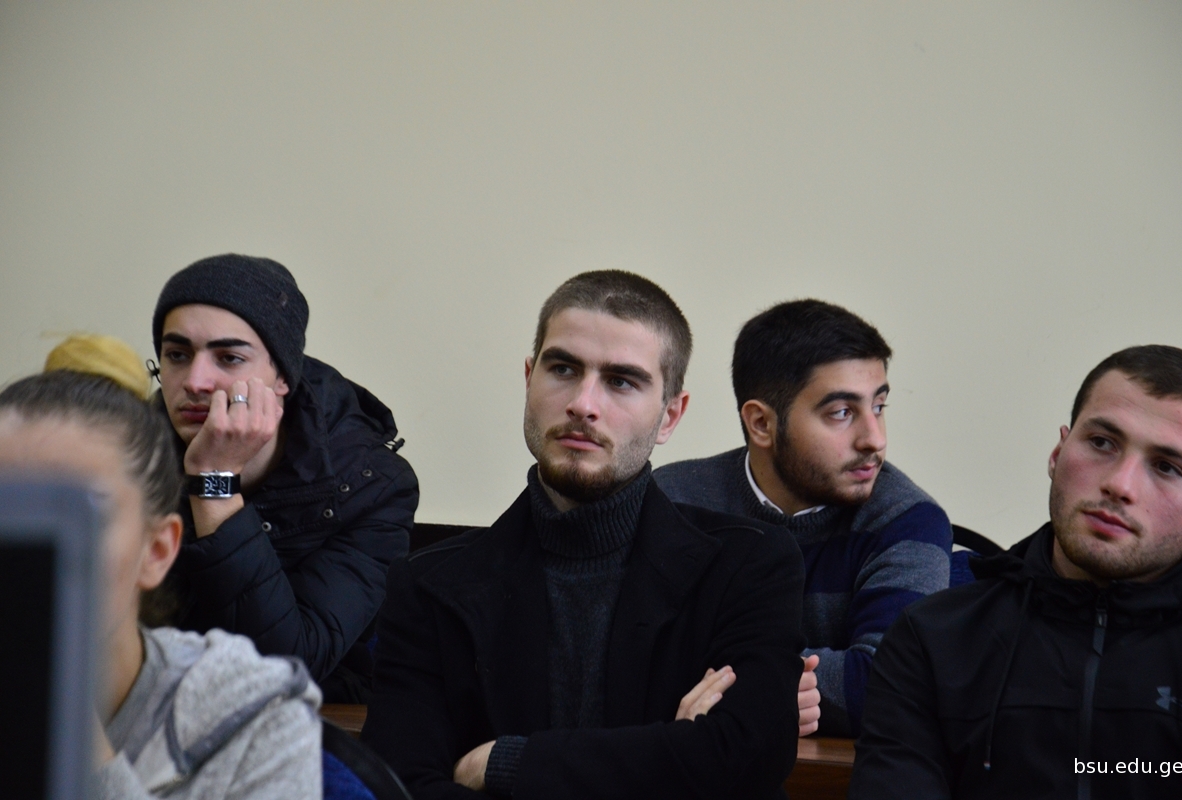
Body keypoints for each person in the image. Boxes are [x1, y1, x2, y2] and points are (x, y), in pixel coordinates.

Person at [362, 270, 810, 799]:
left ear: (670, 415)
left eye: (621, 381)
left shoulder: (749, 565)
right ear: (529, 379)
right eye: (563, 369)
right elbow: (398, 789)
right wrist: (673, 758)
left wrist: (507, 763)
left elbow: (746, 758)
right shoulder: (427, 586)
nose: (583, 403)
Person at [849, 344, 1182, 799]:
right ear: (1058, 452)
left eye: (1167, 467)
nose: (1120, 484)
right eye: (1101, 443)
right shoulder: (935, 639)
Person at [0, 336, 322, 799]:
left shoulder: (256, 714)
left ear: (156, 551)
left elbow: (292, 641)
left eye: (79, 519)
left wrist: (65, 714)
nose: (33, 554)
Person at [654, 299, 953, 737]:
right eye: (842, 413)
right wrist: (767, 684)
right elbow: (614, 658)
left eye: (879, 406)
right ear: (761, 423)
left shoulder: (907, 519)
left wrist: (733, 681)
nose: (874, 439)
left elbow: (894, 686)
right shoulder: (672, 500)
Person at [150, 254, 419, 702]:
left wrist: (215, 480)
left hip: (303, 721)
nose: (195, 381)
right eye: (177, 355)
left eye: (229, 358)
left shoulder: (371, 484)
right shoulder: (129, 453)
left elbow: (285, 665)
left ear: (282, 376)